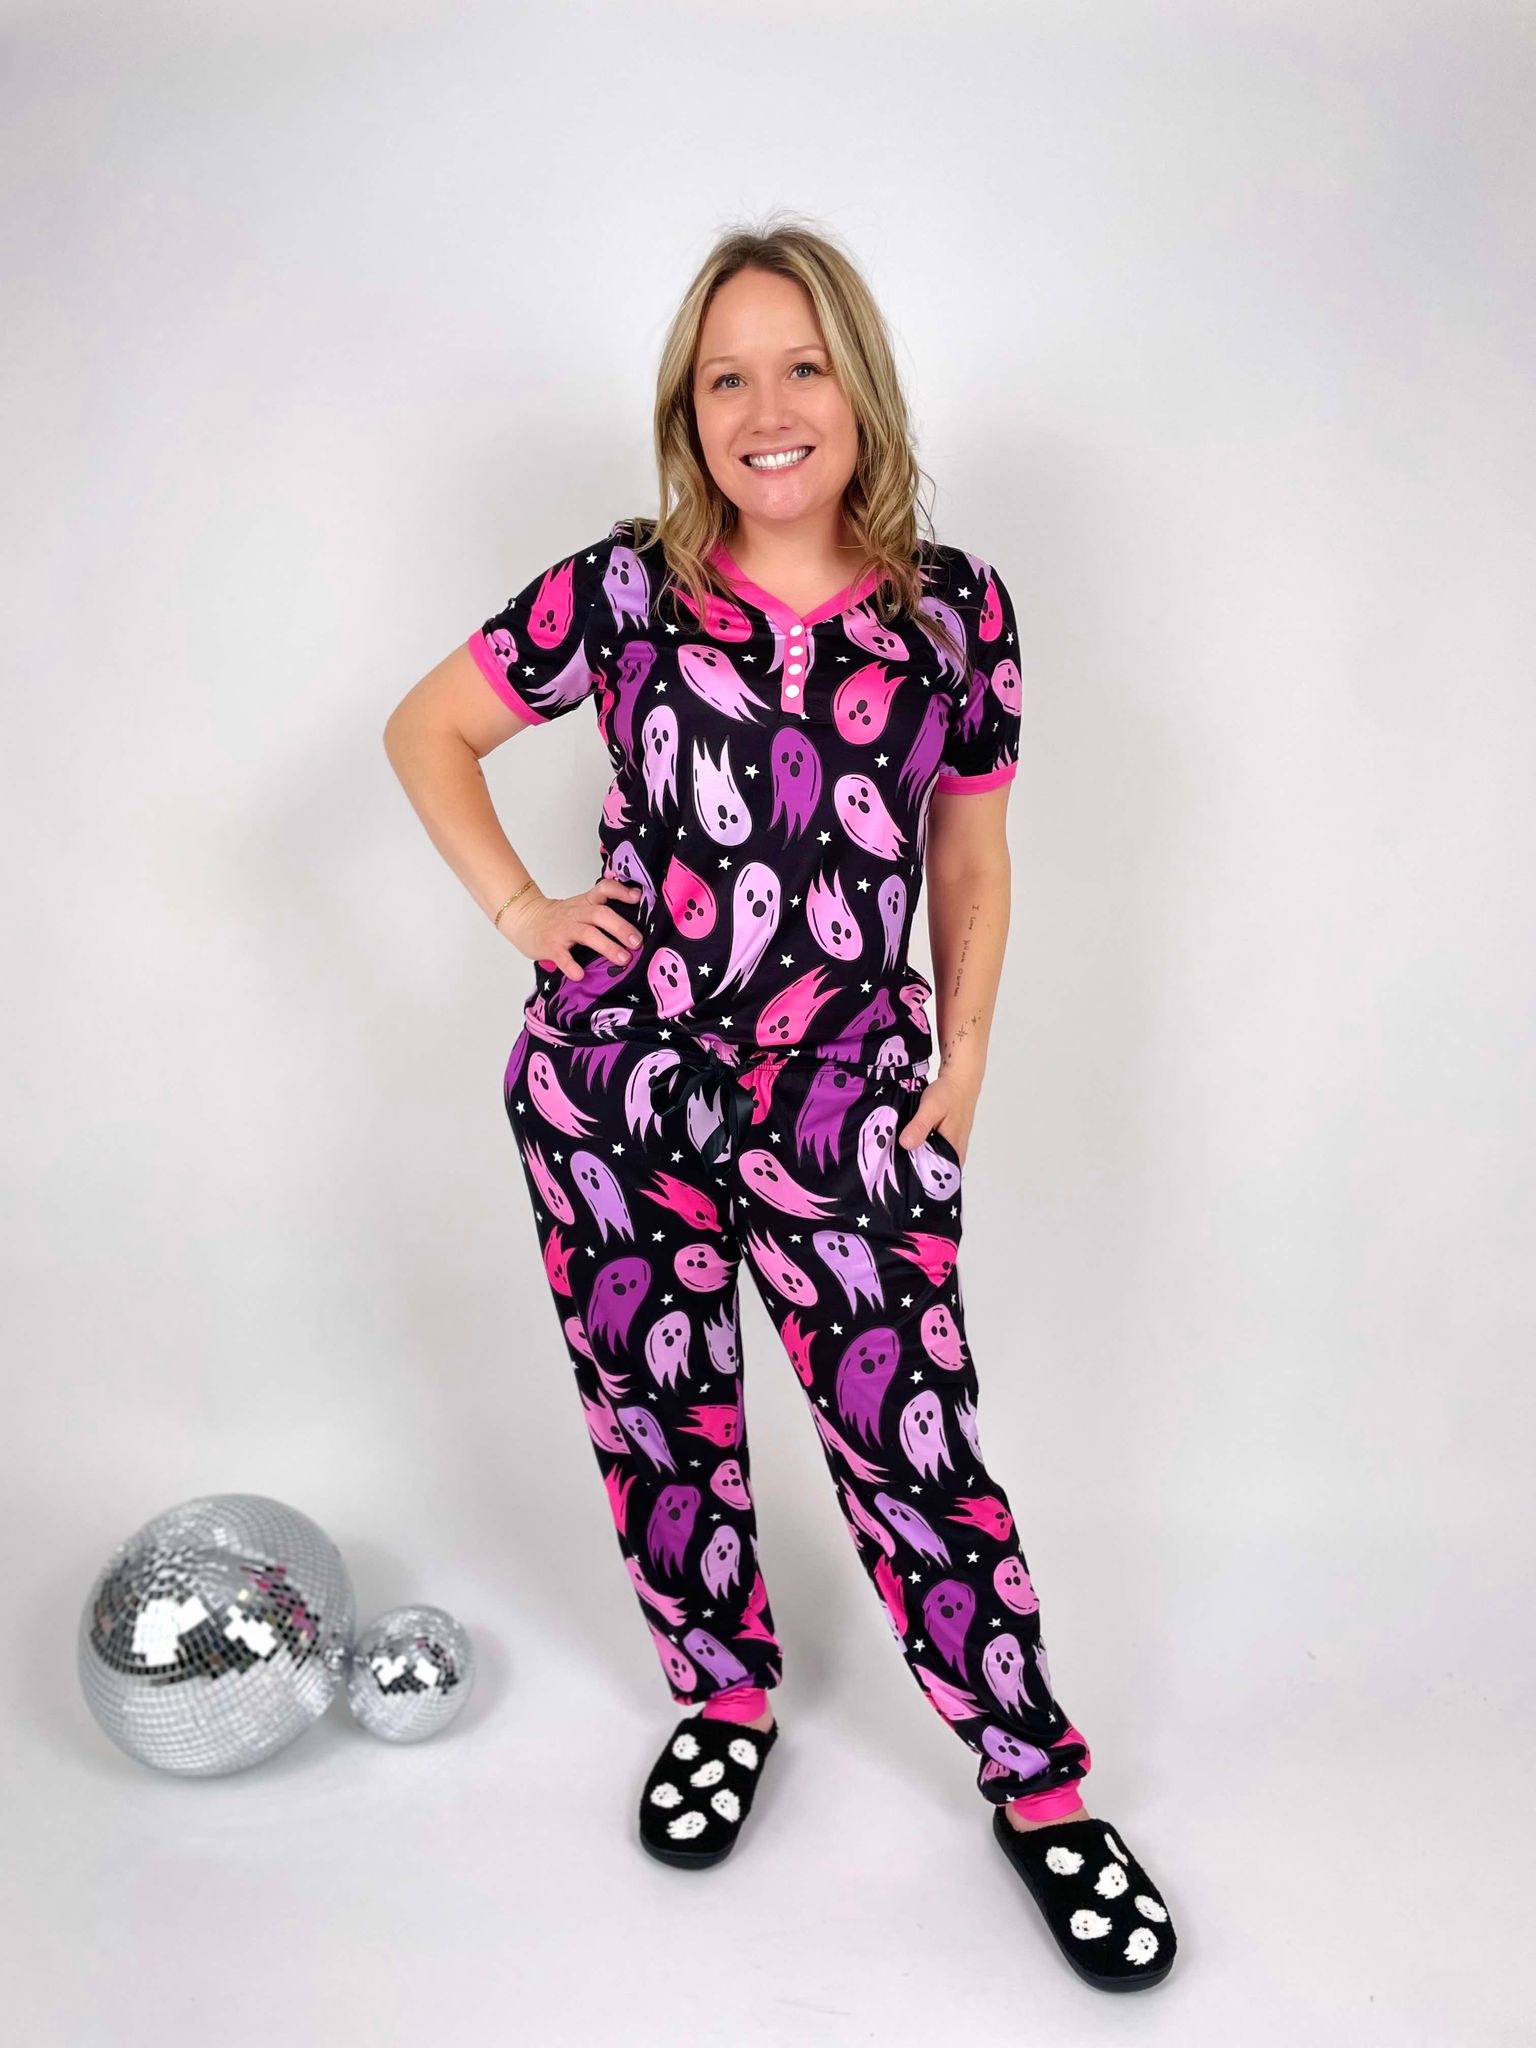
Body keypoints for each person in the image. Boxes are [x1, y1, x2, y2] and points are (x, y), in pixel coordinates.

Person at [384, 218, 1178, 1992]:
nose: (766, 410)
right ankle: (723, 1696)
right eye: (725, 378)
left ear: (859, 387)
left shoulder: (958, 612)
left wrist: (963, 1060)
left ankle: (1040, 1790)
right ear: (689, 411)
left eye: (801, 366)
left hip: (850, 1106)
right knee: (657, 1419)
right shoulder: (621, 591)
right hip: (619, 1091)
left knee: (918, 1451)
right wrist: (525, 914)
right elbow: (425, 730)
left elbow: (971, 856)